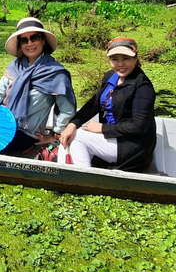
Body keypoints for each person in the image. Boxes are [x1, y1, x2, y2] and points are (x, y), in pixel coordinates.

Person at [0, 16, 76, 156]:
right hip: (2, 124)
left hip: (26, 133)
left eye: (34, 38)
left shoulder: (55, 74)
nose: (29, 43)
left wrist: (54, 135)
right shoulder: (15, 67)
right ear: (20, 44)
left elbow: (67, 110)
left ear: (43, 40)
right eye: (24, 40)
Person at [58, 37, 157, 171]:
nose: (120, 64)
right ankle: (65, 177)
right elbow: (93, 105)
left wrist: (103, 128)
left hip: (132, 146)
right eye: (115, 59)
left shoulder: (142, 86)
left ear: (135, 59)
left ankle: (82, 180)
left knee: (78, 137)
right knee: (69, 134)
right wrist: (72, 124)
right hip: (113, 138)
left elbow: (138, 126)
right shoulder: (111, 77)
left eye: (126, 58)